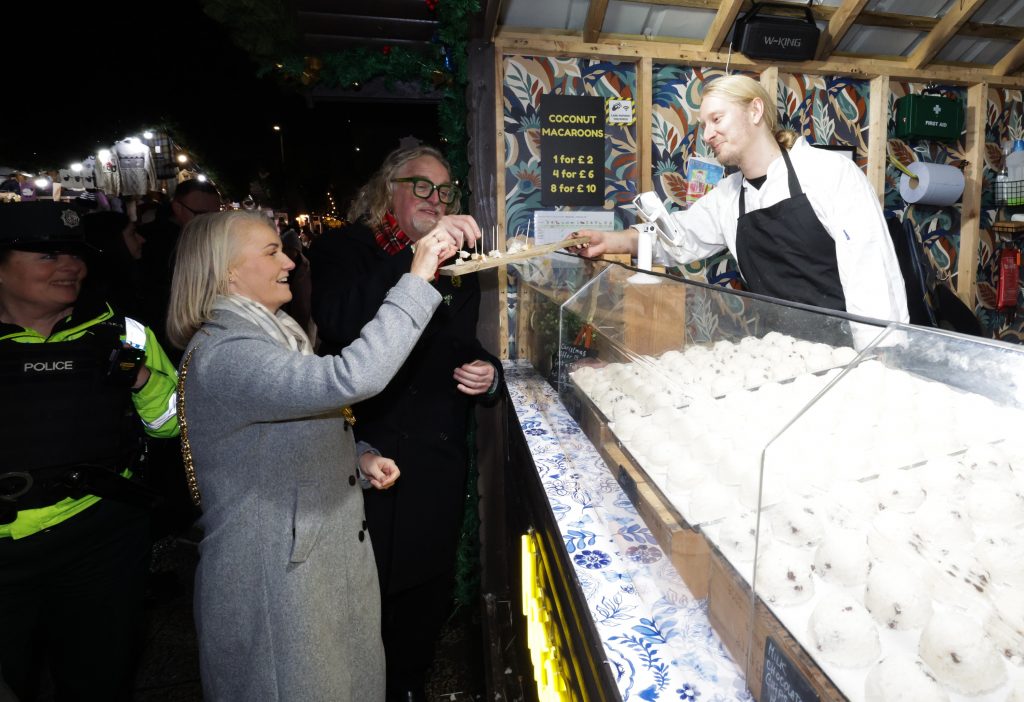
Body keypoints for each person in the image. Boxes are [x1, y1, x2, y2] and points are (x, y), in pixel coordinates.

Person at [167, 210, 453, 701]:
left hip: (310, 568)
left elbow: (278, 434)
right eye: (272, 252)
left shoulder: (268, 333)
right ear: (227, 270)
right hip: (276, 582)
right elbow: (350, 379)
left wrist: (356, 458)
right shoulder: (229, 350)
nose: (291, 262)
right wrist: (418, 274)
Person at [310, 145, 503, 702]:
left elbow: (461, 345)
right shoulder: (346, 248)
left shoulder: (458, 265)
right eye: (421, 186)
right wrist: (418, 260)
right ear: (385, 190)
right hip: (363, 449)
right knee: (364, 587)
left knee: (425, 586)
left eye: (444, 191)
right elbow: (340, 319)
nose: (435, 199)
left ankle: (410, 683)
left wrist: (487, 375)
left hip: (434, 454)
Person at [0, 201, 179, 701]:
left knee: (100, 677)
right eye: (47, 254)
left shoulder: (121, 330)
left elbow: (170, 425)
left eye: (76, 254)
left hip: (100, 535)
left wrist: (139, 378)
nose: (69, 266)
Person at [575, 74, 909, 323]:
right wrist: (610, 240)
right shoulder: (728, 196)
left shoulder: (829, 173)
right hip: (777, 350)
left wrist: (877, 362)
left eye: (716, 119)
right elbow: (678, 239)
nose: (707, 134)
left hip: (848, 353)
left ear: (755, 111)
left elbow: (873, 276)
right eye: (703, 125)